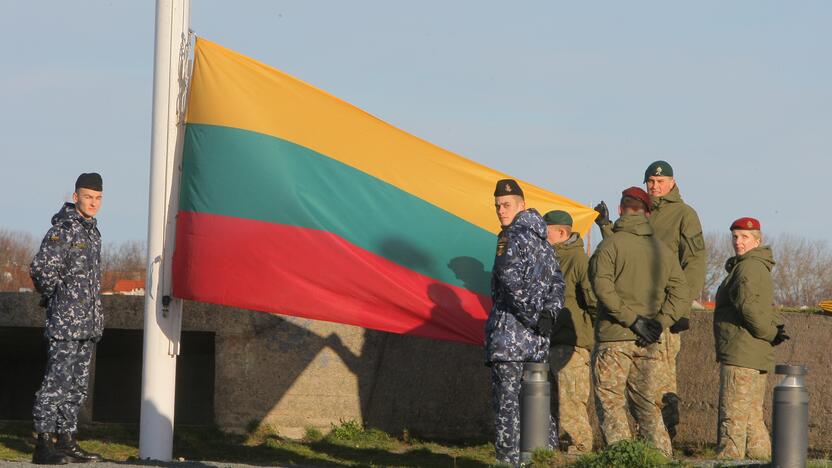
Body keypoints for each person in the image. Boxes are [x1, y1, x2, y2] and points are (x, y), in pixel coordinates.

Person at [593, 160, 704, 439]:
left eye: (660, 181)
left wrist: (681, 309)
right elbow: (622, 251)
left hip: (664, 310)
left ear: (673, 182)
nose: (655, 186)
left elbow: (694, 262)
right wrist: (606, 226)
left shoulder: (684, 214)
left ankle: (662, 449)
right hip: (635, 312)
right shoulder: (643, 210)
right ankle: (651, 449)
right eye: (651, 182)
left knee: (661, 390)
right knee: (642, 392)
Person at [486, 179, 564, 466]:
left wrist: (533, 316)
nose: (500, 211)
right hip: (538, 341)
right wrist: (547, 315)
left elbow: (508, 280)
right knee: (539, 409)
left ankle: (509, 463)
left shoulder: (509, 238)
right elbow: (558, 285)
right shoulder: (545, 243)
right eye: (497, 206)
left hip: (510, 340)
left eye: (506, 205)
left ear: (521, 205)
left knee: (508, 410)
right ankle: (546, 461)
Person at [29, 173, 105, 465]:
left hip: (87, 324)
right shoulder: (64, 230)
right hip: (65, 323)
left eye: (98, 198)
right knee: (56, 384)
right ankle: (44, 443)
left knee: (76, 387)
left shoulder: (92, 232)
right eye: (88, 197)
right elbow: (41, 270)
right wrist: (57, 298)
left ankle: (67, 439)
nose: (93, 203)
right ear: (76, 197)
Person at [713, 217, 788, 460]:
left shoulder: (747, 267)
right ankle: (764, 461)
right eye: (735, 236)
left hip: (741, 352)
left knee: (733, 418)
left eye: (745, 237)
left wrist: (769, 332)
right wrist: (772, 331)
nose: (738, 242)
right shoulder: (757, 266)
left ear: (758, 240)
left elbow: (748, 308)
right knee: (752, 418)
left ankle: (728, 461)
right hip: (754, 353)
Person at [543, 210, 596, 455]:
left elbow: (593, 301)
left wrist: (586, 332)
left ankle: (580, 452)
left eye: (547, 231)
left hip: (570, 344)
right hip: (550, 342)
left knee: (571, 403)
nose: (542, 236)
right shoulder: (548, 258)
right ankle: (557, 453)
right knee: (554, 404)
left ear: (562, 232)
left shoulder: (577, 260)